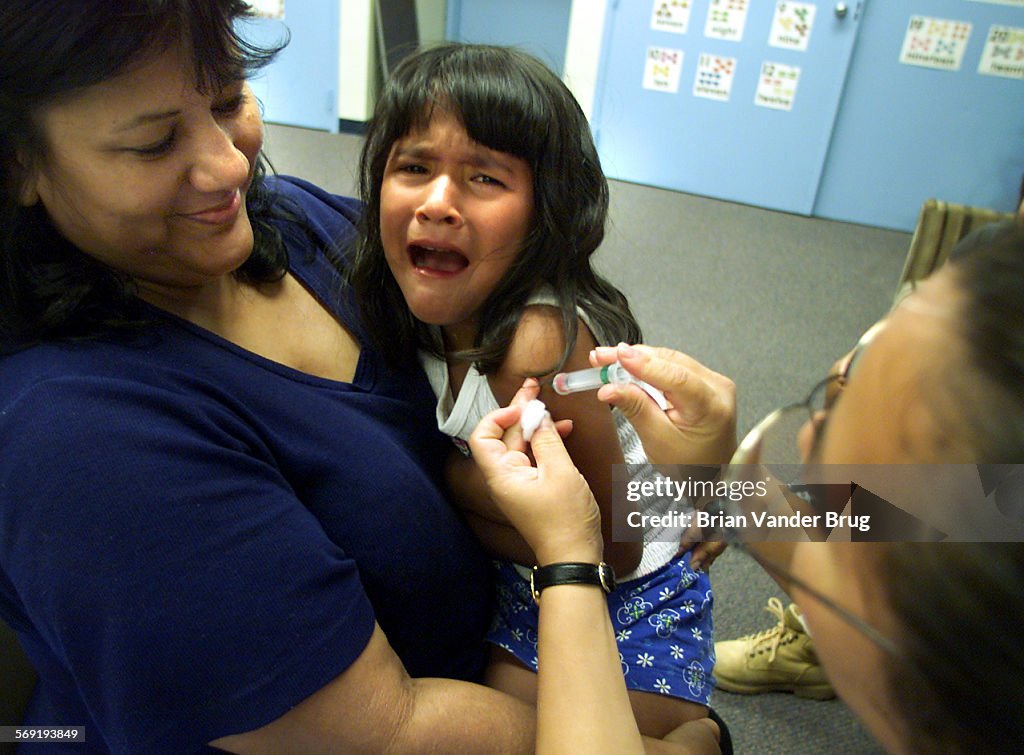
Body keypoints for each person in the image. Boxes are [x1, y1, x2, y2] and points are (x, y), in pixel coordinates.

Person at [0, 4, 724, 753]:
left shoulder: (293, 221)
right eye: (153, 142)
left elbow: (649, 494)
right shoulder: (80, 437)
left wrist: (706, 480)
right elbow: (387, 730)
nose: (230, 167)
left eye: (227, 100)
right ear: (18, 161)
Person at [473, 219, 1024, 753]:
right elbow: (903, 511)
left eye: (833, 423)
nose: (804, 443)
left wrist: (569, 555)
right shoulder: (987, 506)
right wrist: (716, 486)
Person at [347, 43, 727, 737]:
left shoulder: (538, 346)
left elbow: (615, 542)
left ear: (544, 210)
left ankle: (695, 742)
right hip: (526, 565)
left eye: (484, 178)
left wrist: (453, 485)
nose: (437, 202)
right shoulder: (401, 298)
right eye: (414, 167)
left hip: (633, 584)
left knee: (532, 728)